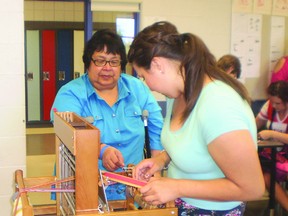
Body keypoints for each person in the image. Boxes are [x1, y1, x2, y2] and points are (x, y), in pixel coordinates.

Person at [128, 21, 265, 215]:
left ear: (158, 65)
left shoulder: (218, 105)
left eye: (143, 76)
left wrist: (176, 187)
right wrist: (160, 160)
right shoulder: (177, 94)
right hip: (182, 205)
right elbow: (194, 145)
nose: (147, 86)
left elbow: (252, 187)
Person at [50, 29, 164, 200]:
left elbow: (156, 129)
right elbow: (70, 134)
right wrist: (102, 151)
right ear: (88, 63)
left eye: (114, 62)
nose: (107, 68)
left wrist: (156, 169)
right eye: (100, 61)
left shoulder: (137, 88)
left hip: (132, 189)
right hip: (83, 189)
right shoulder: (70, 94)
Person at [256, 80, 288, 211]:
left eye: (278, 103)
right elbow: (255, 125)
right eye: (272, 102)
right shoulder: (269, 106)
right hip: (273, 157)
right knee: (267, 177)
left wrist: (271, 133)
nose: (274, 106)